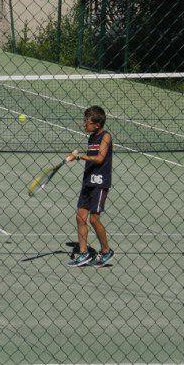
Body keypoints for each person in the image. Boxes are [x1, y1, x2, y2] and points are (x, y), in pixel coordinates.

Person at [66, 106, 114, 267]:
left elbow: (100, 158)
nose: (84, 124)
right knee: (80, 217)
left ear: (97, 125)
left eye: (87, 121)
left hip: (100, 184)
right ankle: (83, 253)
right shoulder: (91, 137)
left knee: (93, 219)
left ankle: (106, 251)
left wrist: (78, 156)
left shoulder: (105, 136)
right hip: (88, 182)